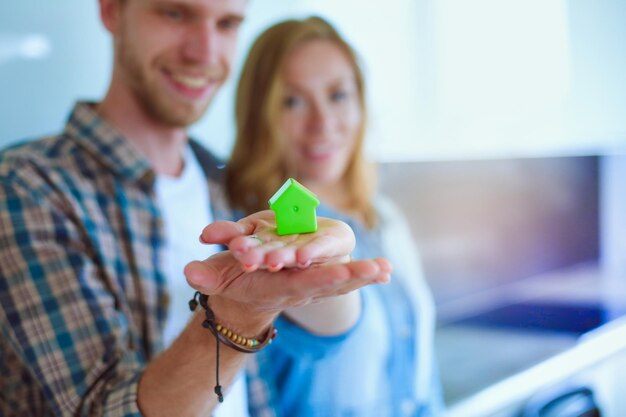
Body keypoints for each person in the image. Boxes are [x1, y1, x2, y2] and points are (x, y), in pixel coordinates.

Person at [0, 1, 392, 416]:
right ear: (113, 11)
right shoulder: (28, 189)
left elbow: (320, 343)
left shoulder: (230, 189)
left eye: (226, 24)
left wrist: (327, 270)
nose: (204, 52)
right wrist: (239, 314)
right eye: (175, 13)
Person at [226, 16, 444, 416]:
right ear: (259, 114)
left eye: (338, 95)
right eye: (291, 101)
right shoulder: (265, 240)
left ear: (360, 103)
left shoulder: (384, 218)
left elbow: (422, 380)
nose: (321, 122)